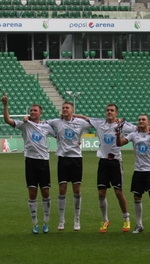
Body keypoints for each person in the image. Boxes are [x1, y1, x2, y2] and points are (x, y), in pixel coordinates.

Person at [77, 104, 136, 233]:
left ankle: (126, 218)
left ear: (116, 113)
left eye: (112, 110)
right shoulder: (99, 123)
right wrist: (70, 115)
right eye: (108, 110)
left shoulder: (122, 125)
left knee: (118, 192)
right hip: (103, 162)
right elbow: (85, 118)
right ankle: (105, 220)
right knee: (101, 193)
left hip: (115, 162)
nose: (109, 112)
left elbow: (139, 129)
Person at [2, 93, 55, 234]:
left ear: (40, 113)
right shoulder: (25, 124)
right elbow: (7, 120)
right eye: (31, 110)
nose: (32, 112)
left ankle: (46, 221)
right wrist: (5, 104)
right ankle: (35, 223)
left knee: (45, 191)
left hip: (43, 161)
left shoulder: (47, 126)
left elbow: (60, 134)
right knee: (32, 192)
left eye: (35, 110)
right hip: (30, 161)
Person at [47, 101, 91, 231]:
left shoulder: (80, 122)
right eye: (63, 108)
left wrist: (76, 115)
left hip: (76, 158)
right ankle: (62, 219)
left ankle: (77, 219)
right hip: (63, 158)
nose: (64, 110)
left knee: (76, 189)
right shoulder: (56, 122)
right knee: (62, 189)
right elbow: (41, 123)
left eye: (67, 108)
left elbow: (90, 120)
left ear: (72, 110)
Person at [116, 114, 150, 234]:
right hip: (138, 171)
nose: (141, 121)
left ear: (148, 122)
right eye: (139, 119)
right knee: (137, 197)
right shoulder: (133, 135)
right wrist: (117, 134)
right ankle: (139, 224)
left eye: (143, 119)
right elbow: (120, 143)